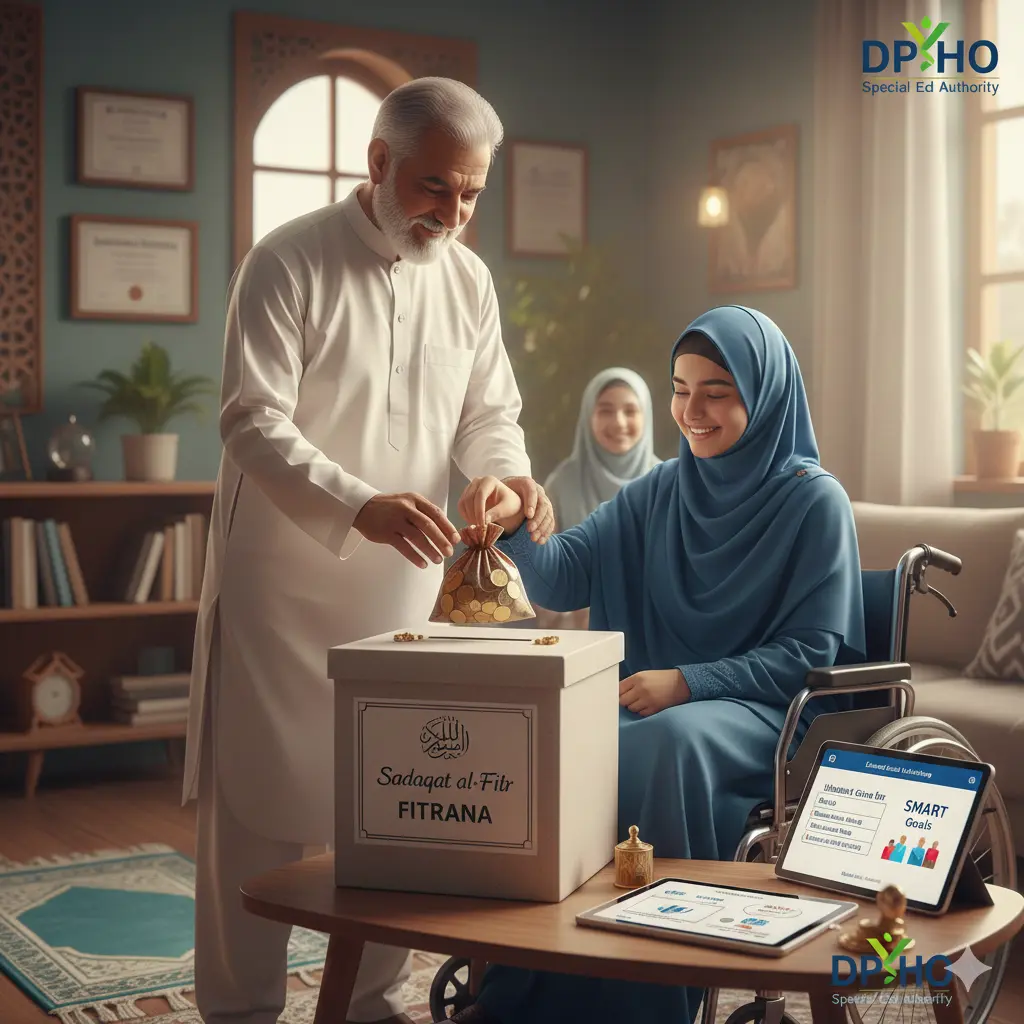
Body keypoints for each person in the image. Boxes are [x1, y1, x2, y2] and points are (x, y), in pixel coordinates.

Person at [181, 77, 554, 1024]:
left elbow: (489, 415)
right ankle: (238, 1008)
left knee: (404, 804)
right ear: (379, 162)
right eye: (437, 188)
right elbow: (249, 422)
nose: (454, 214)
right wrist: (358, 506)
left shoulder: (468, 280)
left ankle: (372, 1002)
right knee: (259, 809)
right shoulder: (286, 260)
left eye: (471, 194)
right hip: (282, 591)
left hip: (406, 592)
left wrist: (500, 479)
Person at [450, 305, 867, 1024]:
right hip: (659, 702)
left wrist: (688, 682)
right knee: (559, 733)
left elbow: (808, 654)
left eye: (716, 391)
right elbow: (560, 577)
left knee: (665, 743)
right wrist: (518, 515)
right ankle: (539, 988)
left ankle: (643, 1000)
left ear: (764, 395)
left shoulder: (814, 501)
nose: (691, 410)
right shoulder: (658, 490)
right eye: (679, 388)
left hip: (765, 712)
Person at [533, 368, 660, 629]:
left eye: (630, 411)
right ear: (588, 417)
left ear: (645, 417)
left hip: (655, 640)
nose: (619, 422)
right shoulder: (562, 484)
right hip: (578, 639)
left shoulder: (667, 484)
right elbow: (541, 574)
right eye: (605, 410)